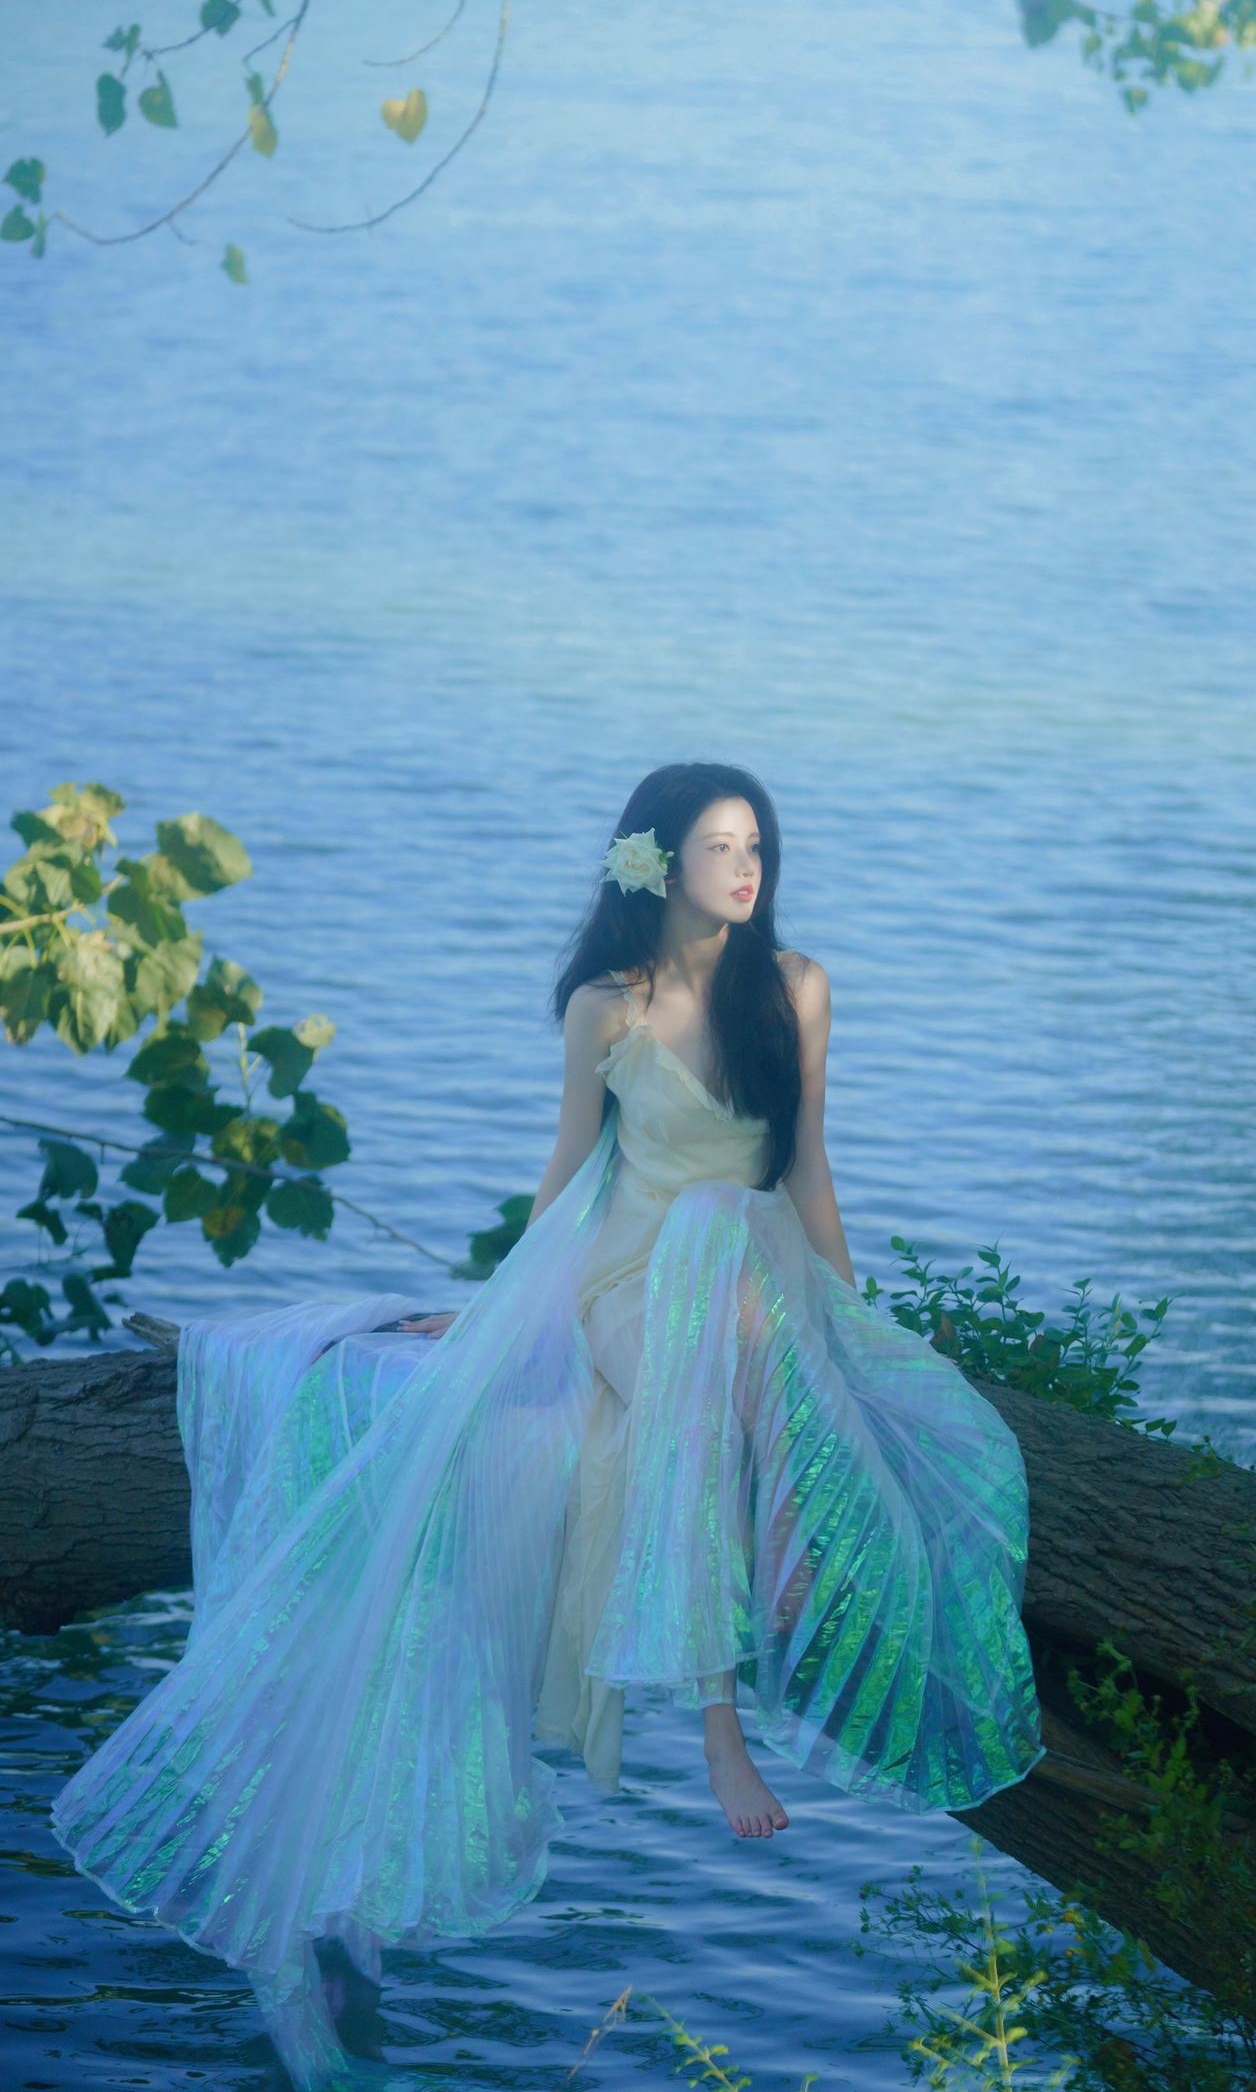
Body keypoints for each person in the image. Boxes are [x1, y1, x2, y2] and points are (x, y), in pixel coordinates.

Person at [50, 759, 1047, 2091]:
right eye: (719, 847)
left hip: (758, 1284)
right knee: (694, 1269)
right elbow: (569, 1176)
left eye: (757, 846)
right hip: (628, 1286)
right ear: (658, 862)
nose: (746, 869)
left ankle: (776, 1555)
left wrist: (853, 1331)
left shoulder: (796, 988)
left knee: (732, 1230)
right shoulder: (606, 1006)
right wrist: (495, 1313)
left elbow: (808, 1170)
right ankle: (724, 1711)